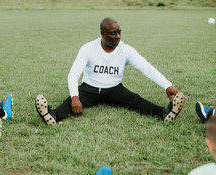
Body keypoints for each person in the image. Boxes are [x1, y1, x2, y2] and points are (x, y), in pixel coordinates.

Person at [35, 17, 186, 125]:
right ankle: (52, 115)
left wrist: (168, 85)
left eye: (119, 32)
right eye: (113, 33)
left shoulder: (125, 50)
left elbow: (146, 67)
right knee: (70, 102)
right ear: (102, 33)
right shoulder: (88, 48)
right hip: (90, 88)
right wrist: (75, 97)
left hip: (114, 89)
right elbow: (74, 73)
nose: (117, 37)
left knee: (136, 100)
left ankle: (164, 112)